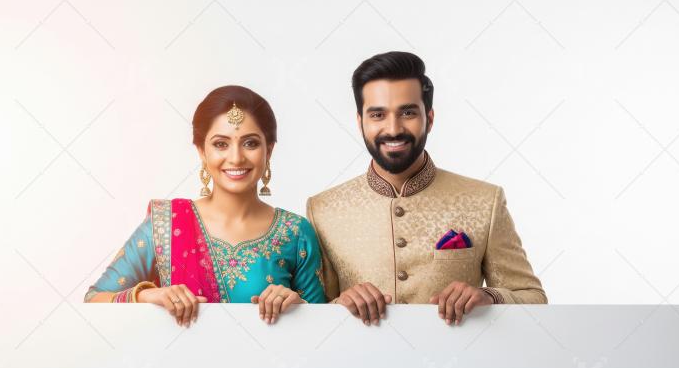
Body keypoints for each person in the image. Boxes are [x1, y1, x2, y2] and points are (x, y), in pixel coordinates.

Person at [306, 51, 547, 327]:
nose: (393, 128)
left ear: (429, 119)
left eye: (408, 112)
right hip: (361, 367)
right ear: (360, 122)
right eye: (378, 115)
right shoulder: (322, 209)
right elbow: (311, 313)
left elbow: (533, 298)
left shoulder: (484, 201)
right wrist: (341, 304)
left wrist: (489, 297)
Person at [85, 85, 326, 326]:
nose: (236, 158)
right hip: (182, 363)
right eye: (221, 144)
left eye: (250, 143)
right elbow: (94, 300)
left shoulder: (295, 232)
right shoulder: (166, 225)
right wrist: (148, 295)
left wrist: (297, 307)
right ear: (202, 151)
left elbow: (323, 330)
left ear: (269, 150)